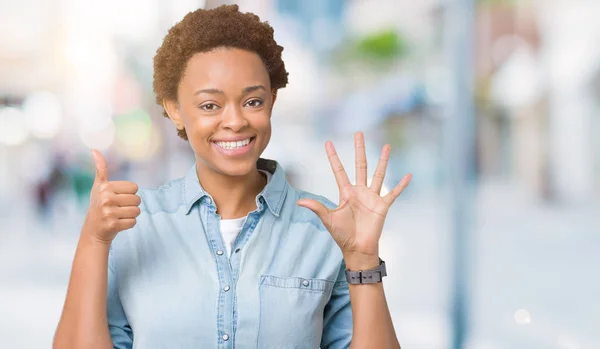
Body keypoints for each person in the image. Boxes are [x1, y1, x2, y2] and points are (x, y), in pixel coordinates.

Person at [53, 5, 411, 349]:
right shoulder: (132, 225)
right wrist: (93, 241)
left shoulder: (327, 229)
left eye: (252, 101)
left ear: (272, 100)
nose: (236, 120)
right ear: (175, 110)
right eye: (210, 105)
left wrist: (363, 259)